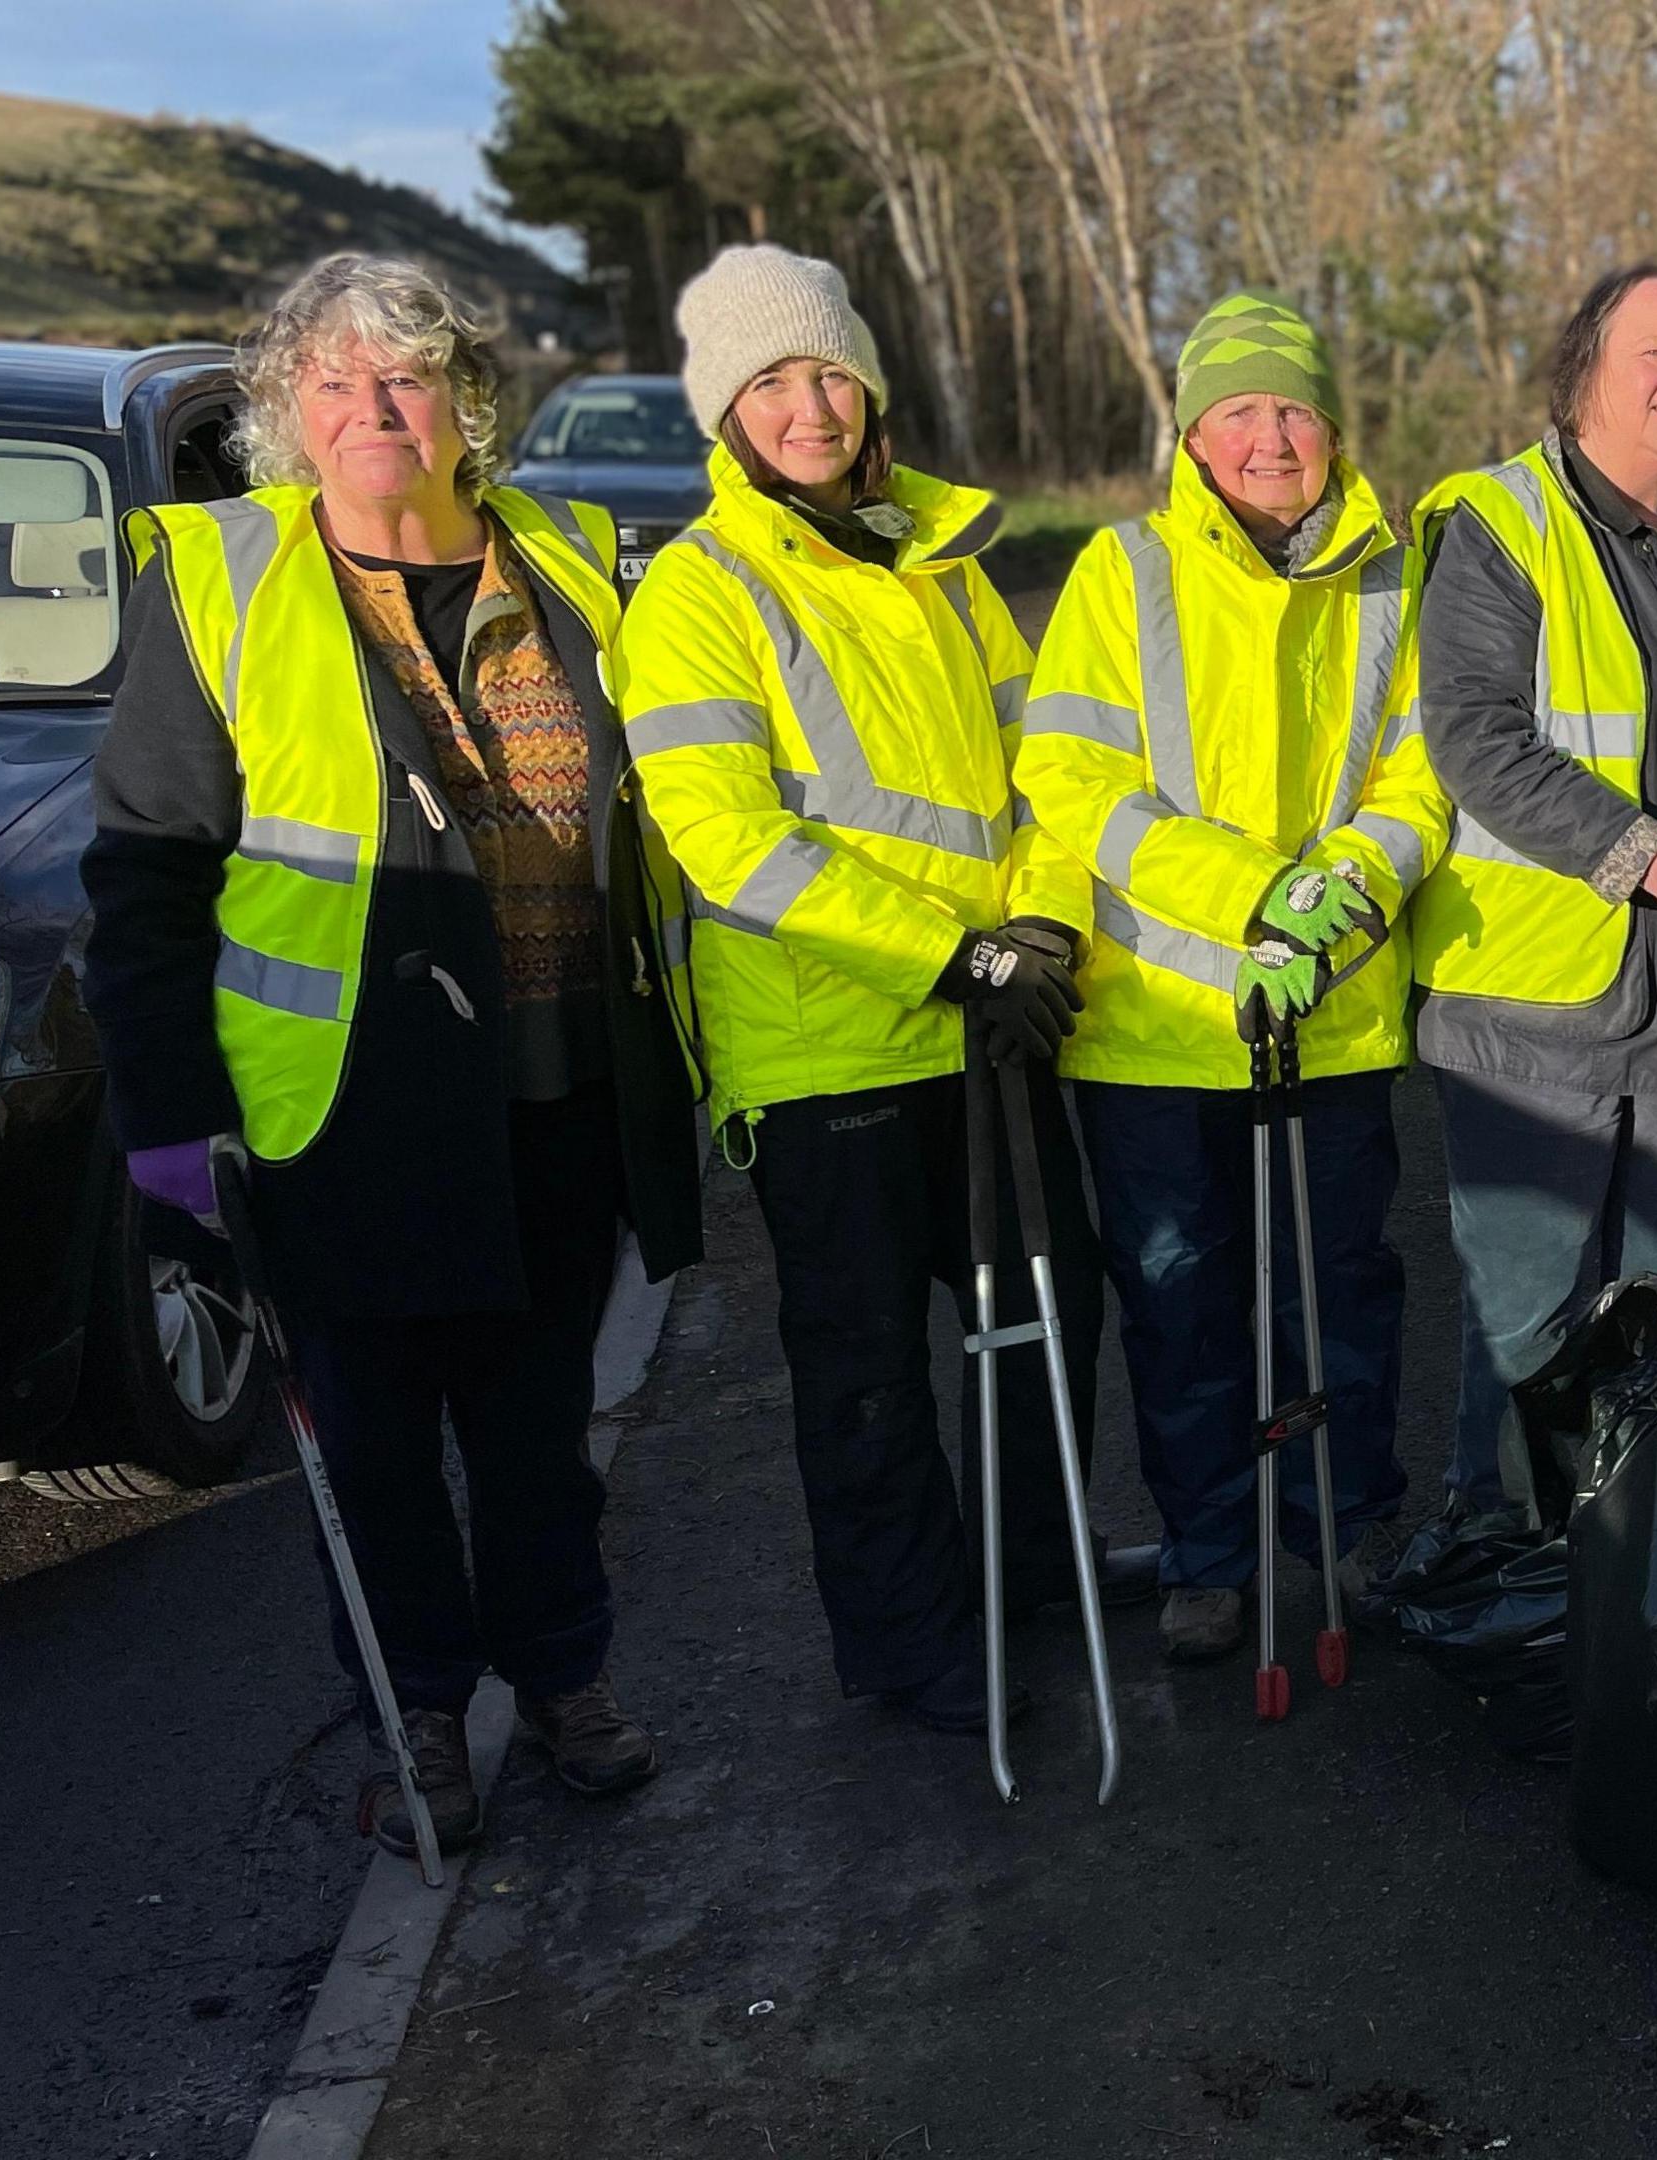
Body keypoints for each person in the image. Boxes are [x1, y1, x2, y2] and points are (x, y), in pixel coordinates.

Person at [84, 253, 703, 1856]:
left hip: (560, 1092)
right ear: (288, 410)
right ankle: (419, 1711)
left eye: (408, 375)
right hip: (342, 1113)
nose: (375, 406)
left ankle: (563, 1680)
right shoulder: (224, 582)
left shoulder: (572, 558)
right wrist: (169, 1121)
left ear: (461, 403)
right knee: (372, 1448)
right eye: (337, 380)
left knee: (536, 1429)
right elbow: (147, 874)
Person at [620, 244, 1102, 1737]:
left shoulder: (945, 567)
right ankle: (907, 1639)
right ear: (727, 414)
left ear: (870, 387)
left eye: (829, 371)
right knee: (871, 1374)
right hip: (831, 1045)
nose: (809, 405)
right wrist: (948, 956)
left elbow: (1048, 780)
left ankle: (1030, 1575)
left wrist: (1046, 931)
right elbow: (723, 841)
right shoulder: (697, 593)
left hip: (996, 1018)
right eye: (770, 382)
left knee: (1048, 1316)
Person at [1016, 292, 1442, 1663]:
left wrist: (1347, 896)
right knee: (1181, 1303)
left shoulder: (1392, 570)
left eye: (1296, 409)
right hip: (1157, 1026)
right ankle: (1208, 1547)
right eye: (1242, 411)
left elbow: (1424, 775)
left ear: (1332, 427)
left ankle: (1346, 1520)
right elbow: (1069, 777)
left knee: (1343, 1291)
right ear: (1194, 436)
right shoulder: (1121, 571)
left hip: (1332, 1015)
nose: (1273, 438)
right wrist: (1251, 892)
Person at [1403, 265, 1657, 1513]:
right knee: (1532, 1321)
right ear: (1583, 372)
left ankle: (1641, 1565)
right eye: (1656, 351)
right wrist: (1641, 852)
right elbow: (1472, 734)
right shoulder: (1499, 523)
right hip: (1536, 1007)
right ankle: (1514, 1577)